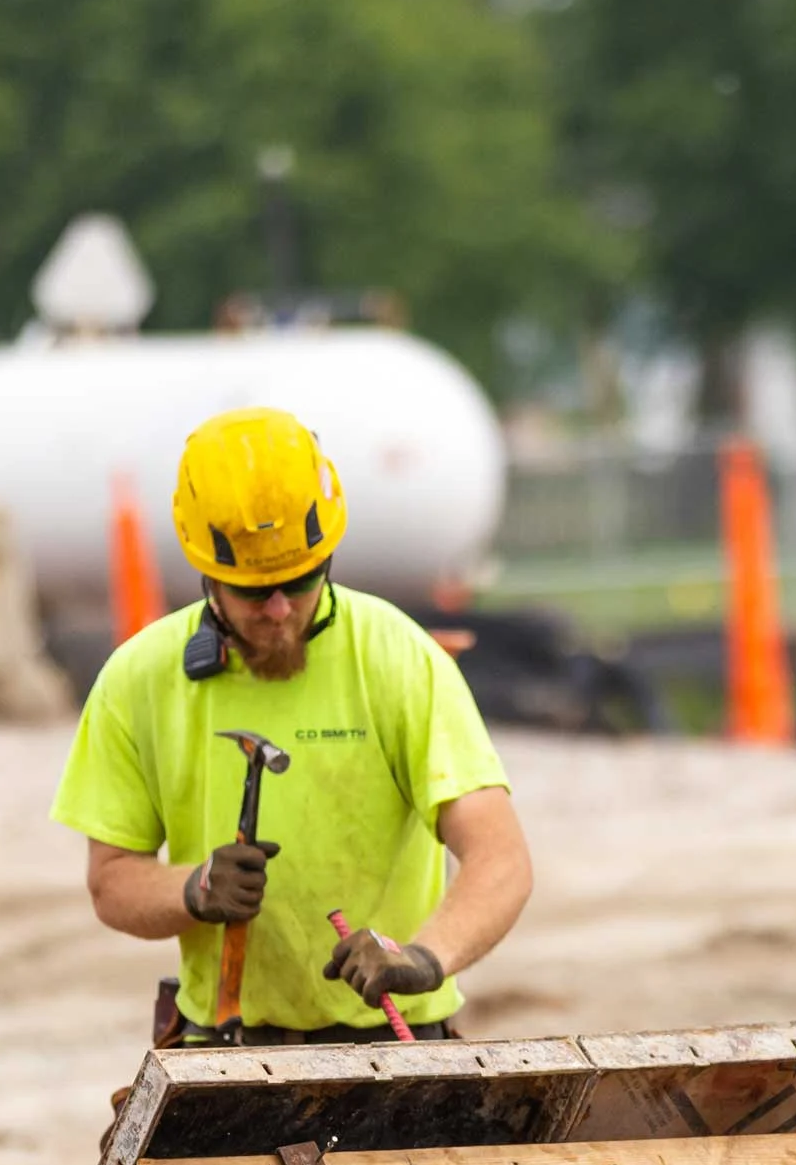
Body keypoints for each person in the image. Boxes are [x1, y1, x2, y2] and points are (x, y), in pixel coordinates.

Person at [56, 407, 533, 1043]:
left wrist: (422, 958)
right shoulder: (139, 679)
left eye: (300, 580)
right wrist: (192, 889)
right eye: (255, 591)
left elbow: (500, 858)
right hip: (226, 1046)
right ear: (207, 574)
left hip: (393, 1047)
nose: (280, 610)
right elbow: (111, 881)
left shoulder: (396, 656)